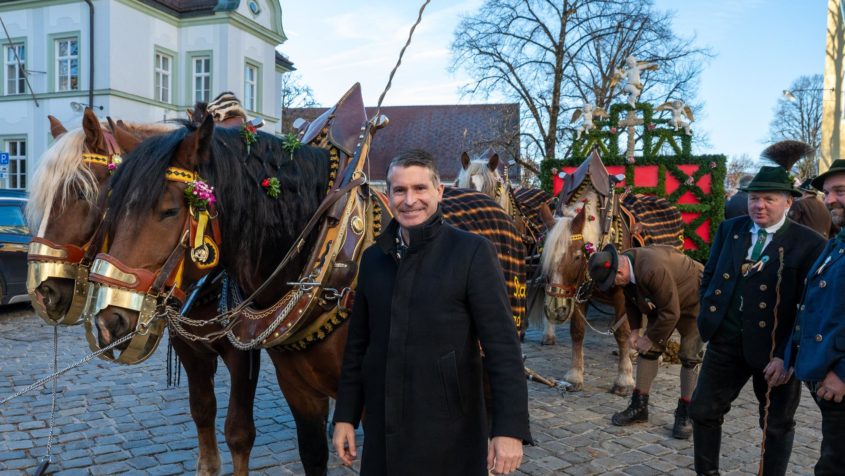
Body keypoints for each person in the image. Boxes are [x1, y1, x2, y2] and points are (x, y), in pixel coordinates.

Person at [332, 149, 532, 476]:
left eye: (420, 188)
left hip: (451, 434)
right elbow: (358, 345)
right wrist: (345, 416)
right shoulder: (372, 260)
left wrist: (509, 429)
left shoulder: (471, 252)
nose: (410, 200)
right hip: (384, 430)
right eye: (400, 190)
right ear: (389, 196)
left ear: (439, 191)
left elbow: (502, 347)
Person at [689, 140, 826, 476]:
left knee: (776, 425)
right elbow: (709, 274)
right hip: (726, 342)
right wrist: (711, 312)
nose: (759, 205)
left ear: (788, 202)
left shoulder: (809, 243)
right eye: (754, 198)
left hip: (775, 352)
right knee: (703, 411)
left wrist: (788, 355)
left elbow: (812, 307)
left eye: (769, 199)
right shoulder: (729, 230)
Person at [587, 244, 704, 439]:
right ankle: (639, 406)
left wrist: (649, 338)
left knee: (689, 354)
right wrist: (635, 330)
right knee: (647, 351)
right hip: (665, 300)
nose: (613, 286)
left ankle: (686, 412)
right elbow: (630, 298)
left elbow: (671, 314)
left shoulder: (652, 269)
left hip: (694, 296)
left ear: (620, 270)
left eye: (612, 282)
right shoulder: (625, 265)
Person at [785, 158, 845, 474]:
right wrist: (790, 356)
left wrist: (842, 374)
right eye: (827, 192)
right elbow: (811, 305)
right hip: (823, 376)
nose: (830, 199)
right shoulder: (836, 242)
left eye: (840, 191)